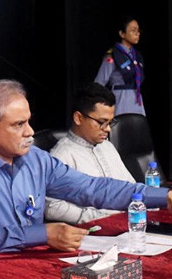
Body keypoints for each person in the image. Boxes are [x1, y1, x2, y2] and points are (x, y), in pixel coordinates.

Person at [0, 78, 172, 254]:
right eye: (18, 124)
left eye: (29, 121)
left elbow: (93, 188)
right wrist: (40, 234)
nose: (30, 132)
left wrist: (165, 197)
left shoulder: (35, 160)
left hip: (33, 267)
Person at [46, 83, 133, 224]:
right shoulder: (61, 155)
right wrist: (99, 217)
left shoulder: (107, 146)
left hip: (128, 223)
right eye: (102, 122)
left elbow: (130, 186)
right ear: (78, 118)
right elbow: (52, 206)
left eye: (110, 122)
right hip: (94, 230)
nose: (108, 129)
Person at [94, 16, 145, 116]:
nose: (137, 33)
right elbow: (99, 84)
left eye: (138, 30)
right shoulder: (113, 55)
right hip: (120, 101)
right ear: (122, 34)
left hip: (137, 102)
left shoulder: (137, 55)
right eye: (133, 30)